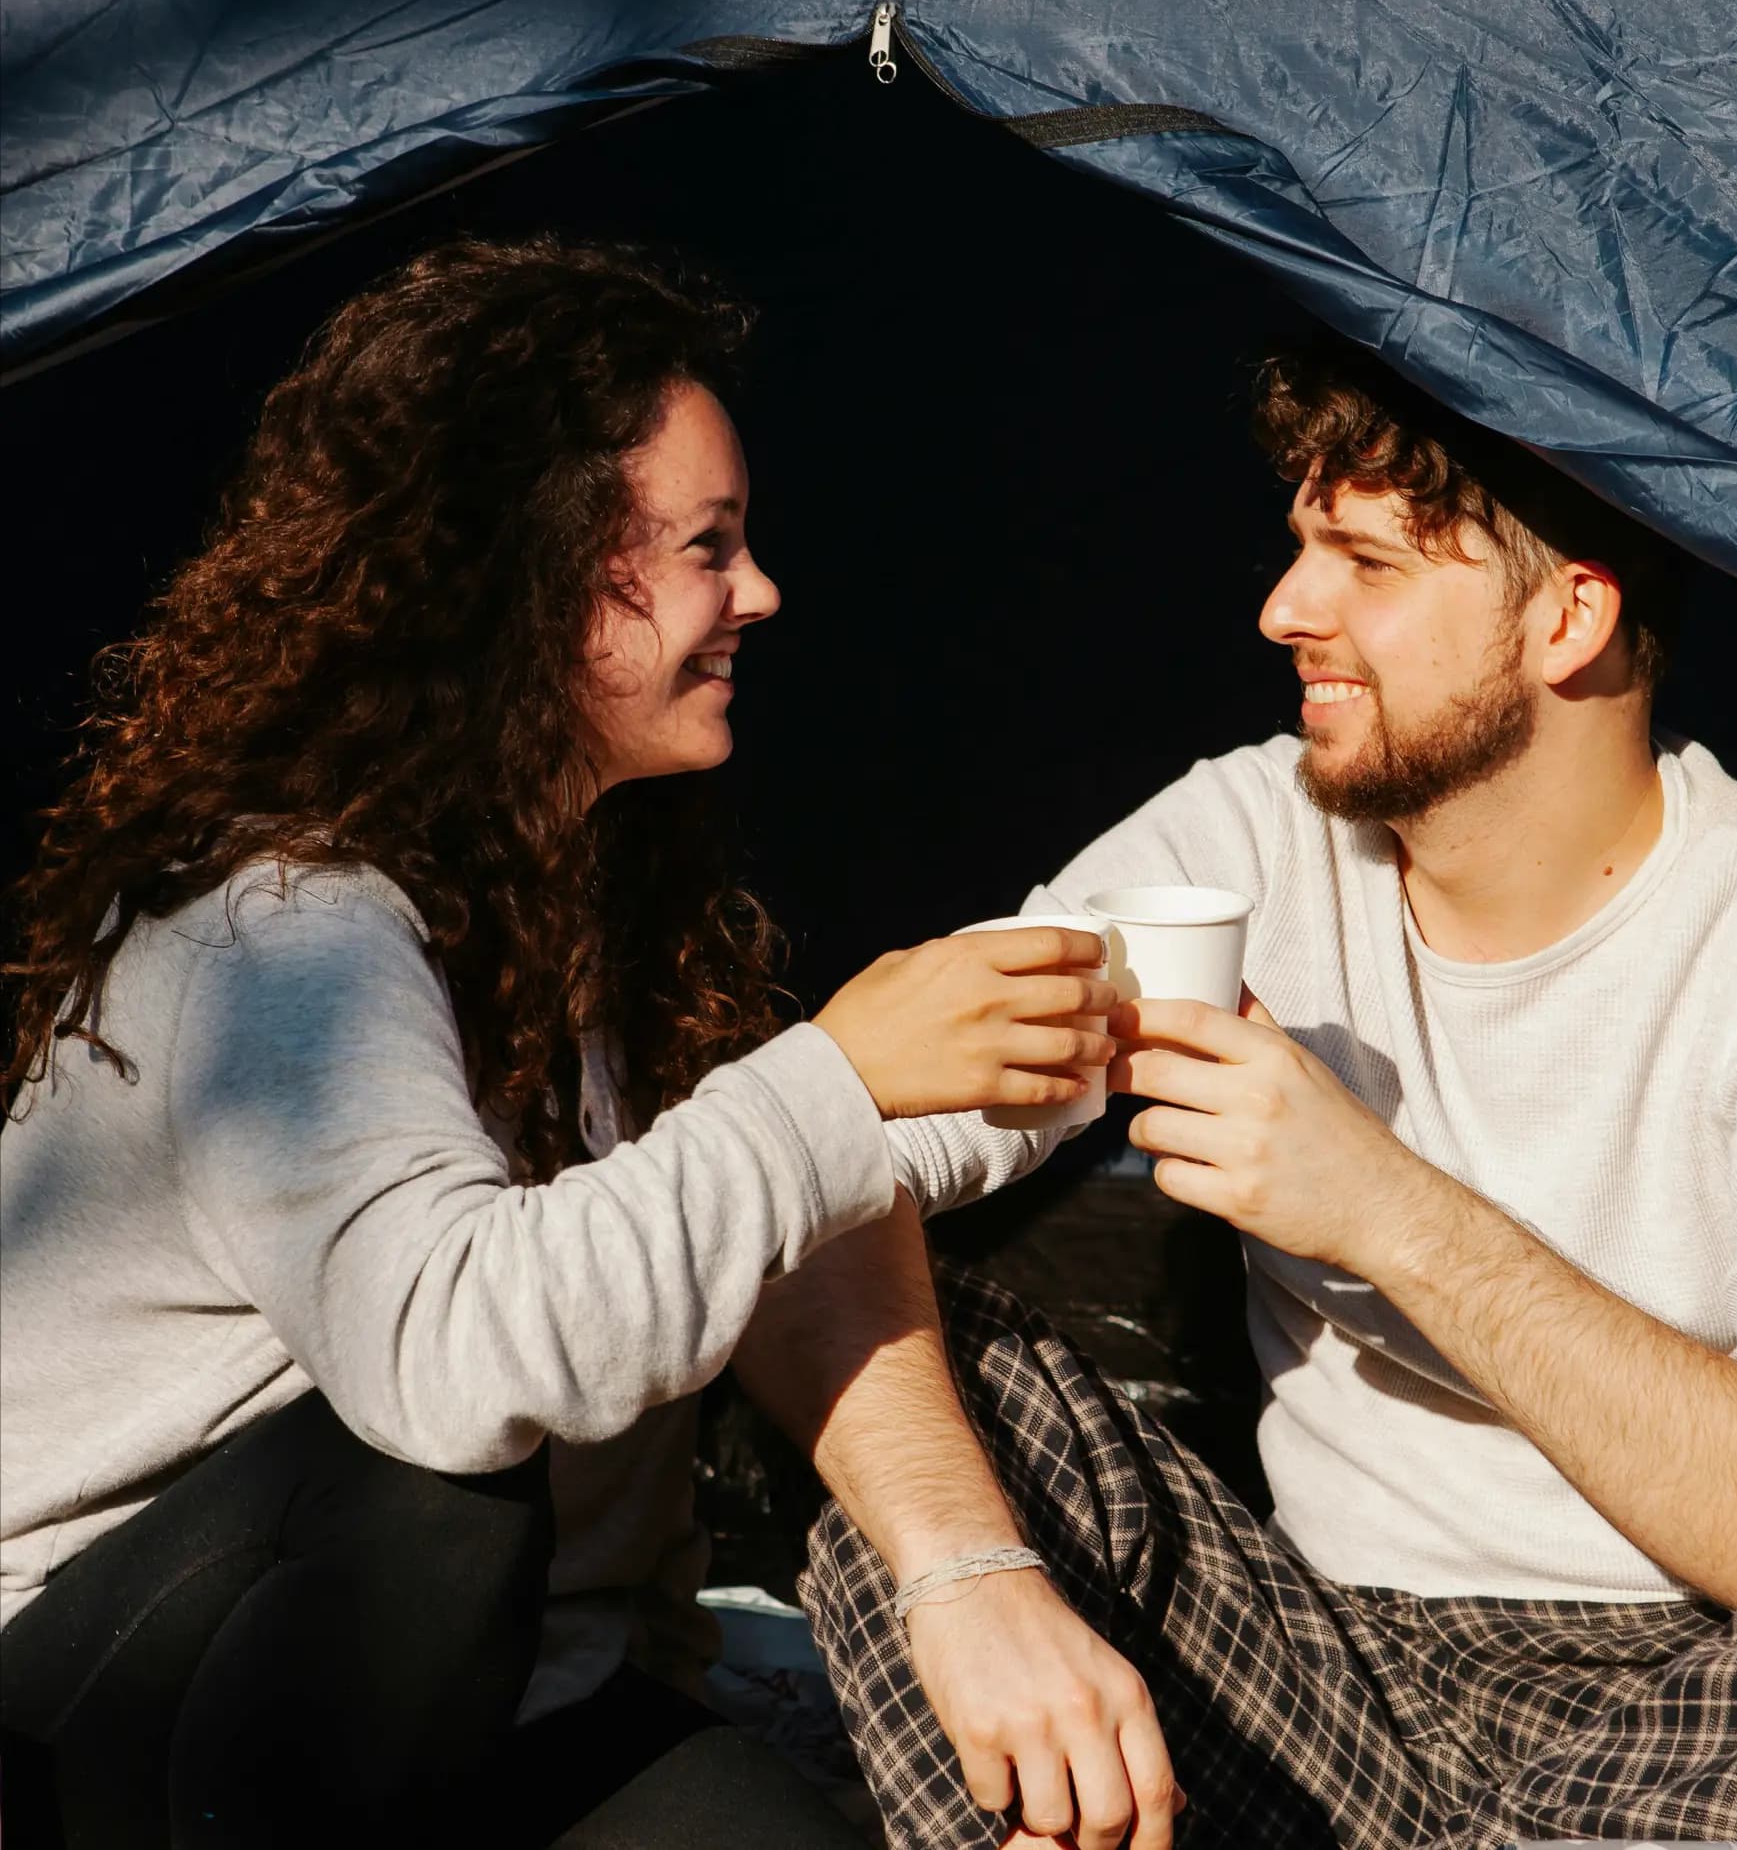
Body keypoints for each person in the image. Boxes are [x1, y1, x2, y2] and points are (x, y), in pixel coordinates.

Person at [738, 344, 1737, 1850]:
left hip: (1707, 1713)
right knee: (928, 1391)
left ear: (1569, 615)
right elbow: (827, 1155)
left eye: (1365, 562)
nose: (1286, 609)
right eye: (1298, 546)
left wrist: (1388, 1210)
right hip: (1317, 1674)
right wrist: (973, 1577)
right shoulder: (1245, 847)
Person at [0, 235, 1117, 1846]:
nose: (763, 593)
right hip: (112, 1718)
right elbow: (455, 1357)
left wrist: (1072, 1042)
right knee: (437, 1491)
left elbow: (745, 1193)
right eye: (708, 547)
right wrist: (842, 1075)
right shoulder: (284, 928)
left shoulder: (575, 895)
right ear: (529, 572)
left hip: (496, 1713)